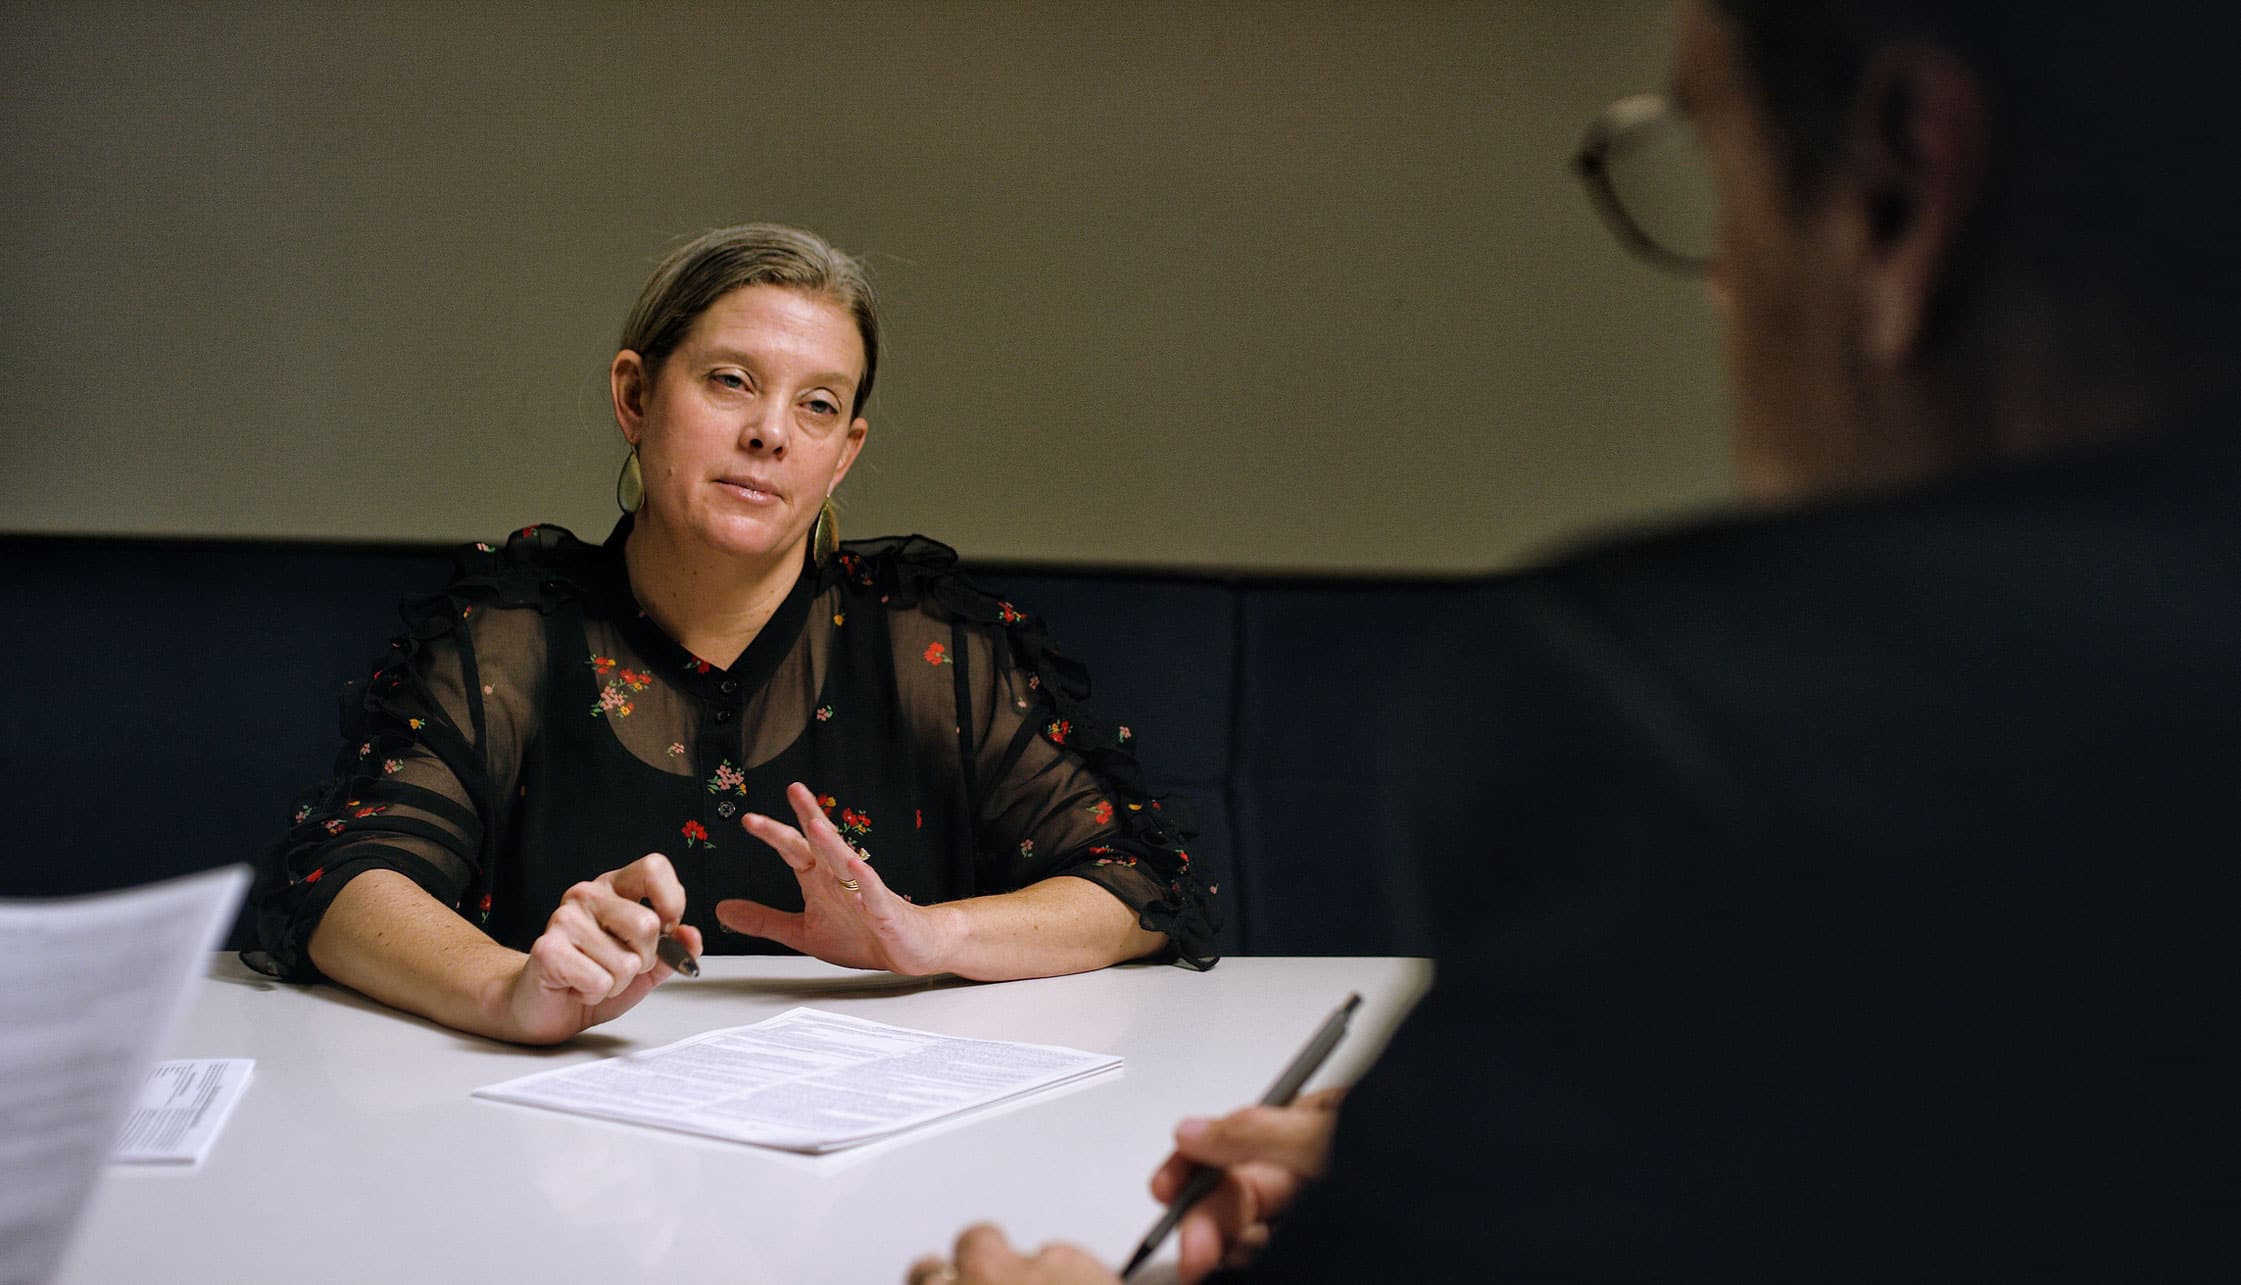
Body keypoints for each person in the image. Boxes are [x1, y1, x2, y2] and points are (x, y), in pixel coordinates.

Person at [914, 0, 2241, 1279]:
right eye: (729, 383)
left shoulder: (1681, 723)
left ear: (1898, 181)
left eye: (1716, 172)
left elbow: (1148, 880)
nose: (1724, 288)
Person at [249, 223, 1218, 1045]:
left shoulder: (928, 644)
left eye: (819, 406)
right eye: (729, 381)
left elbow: (1134, 879)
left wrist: (932, 935)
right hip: (560, 1147)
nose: (771, 433)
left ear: (845, 455)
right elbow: (348, 881)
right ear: (635, 396)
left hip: (873, 1149)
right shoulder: (512, 635)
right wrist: (512, 991)